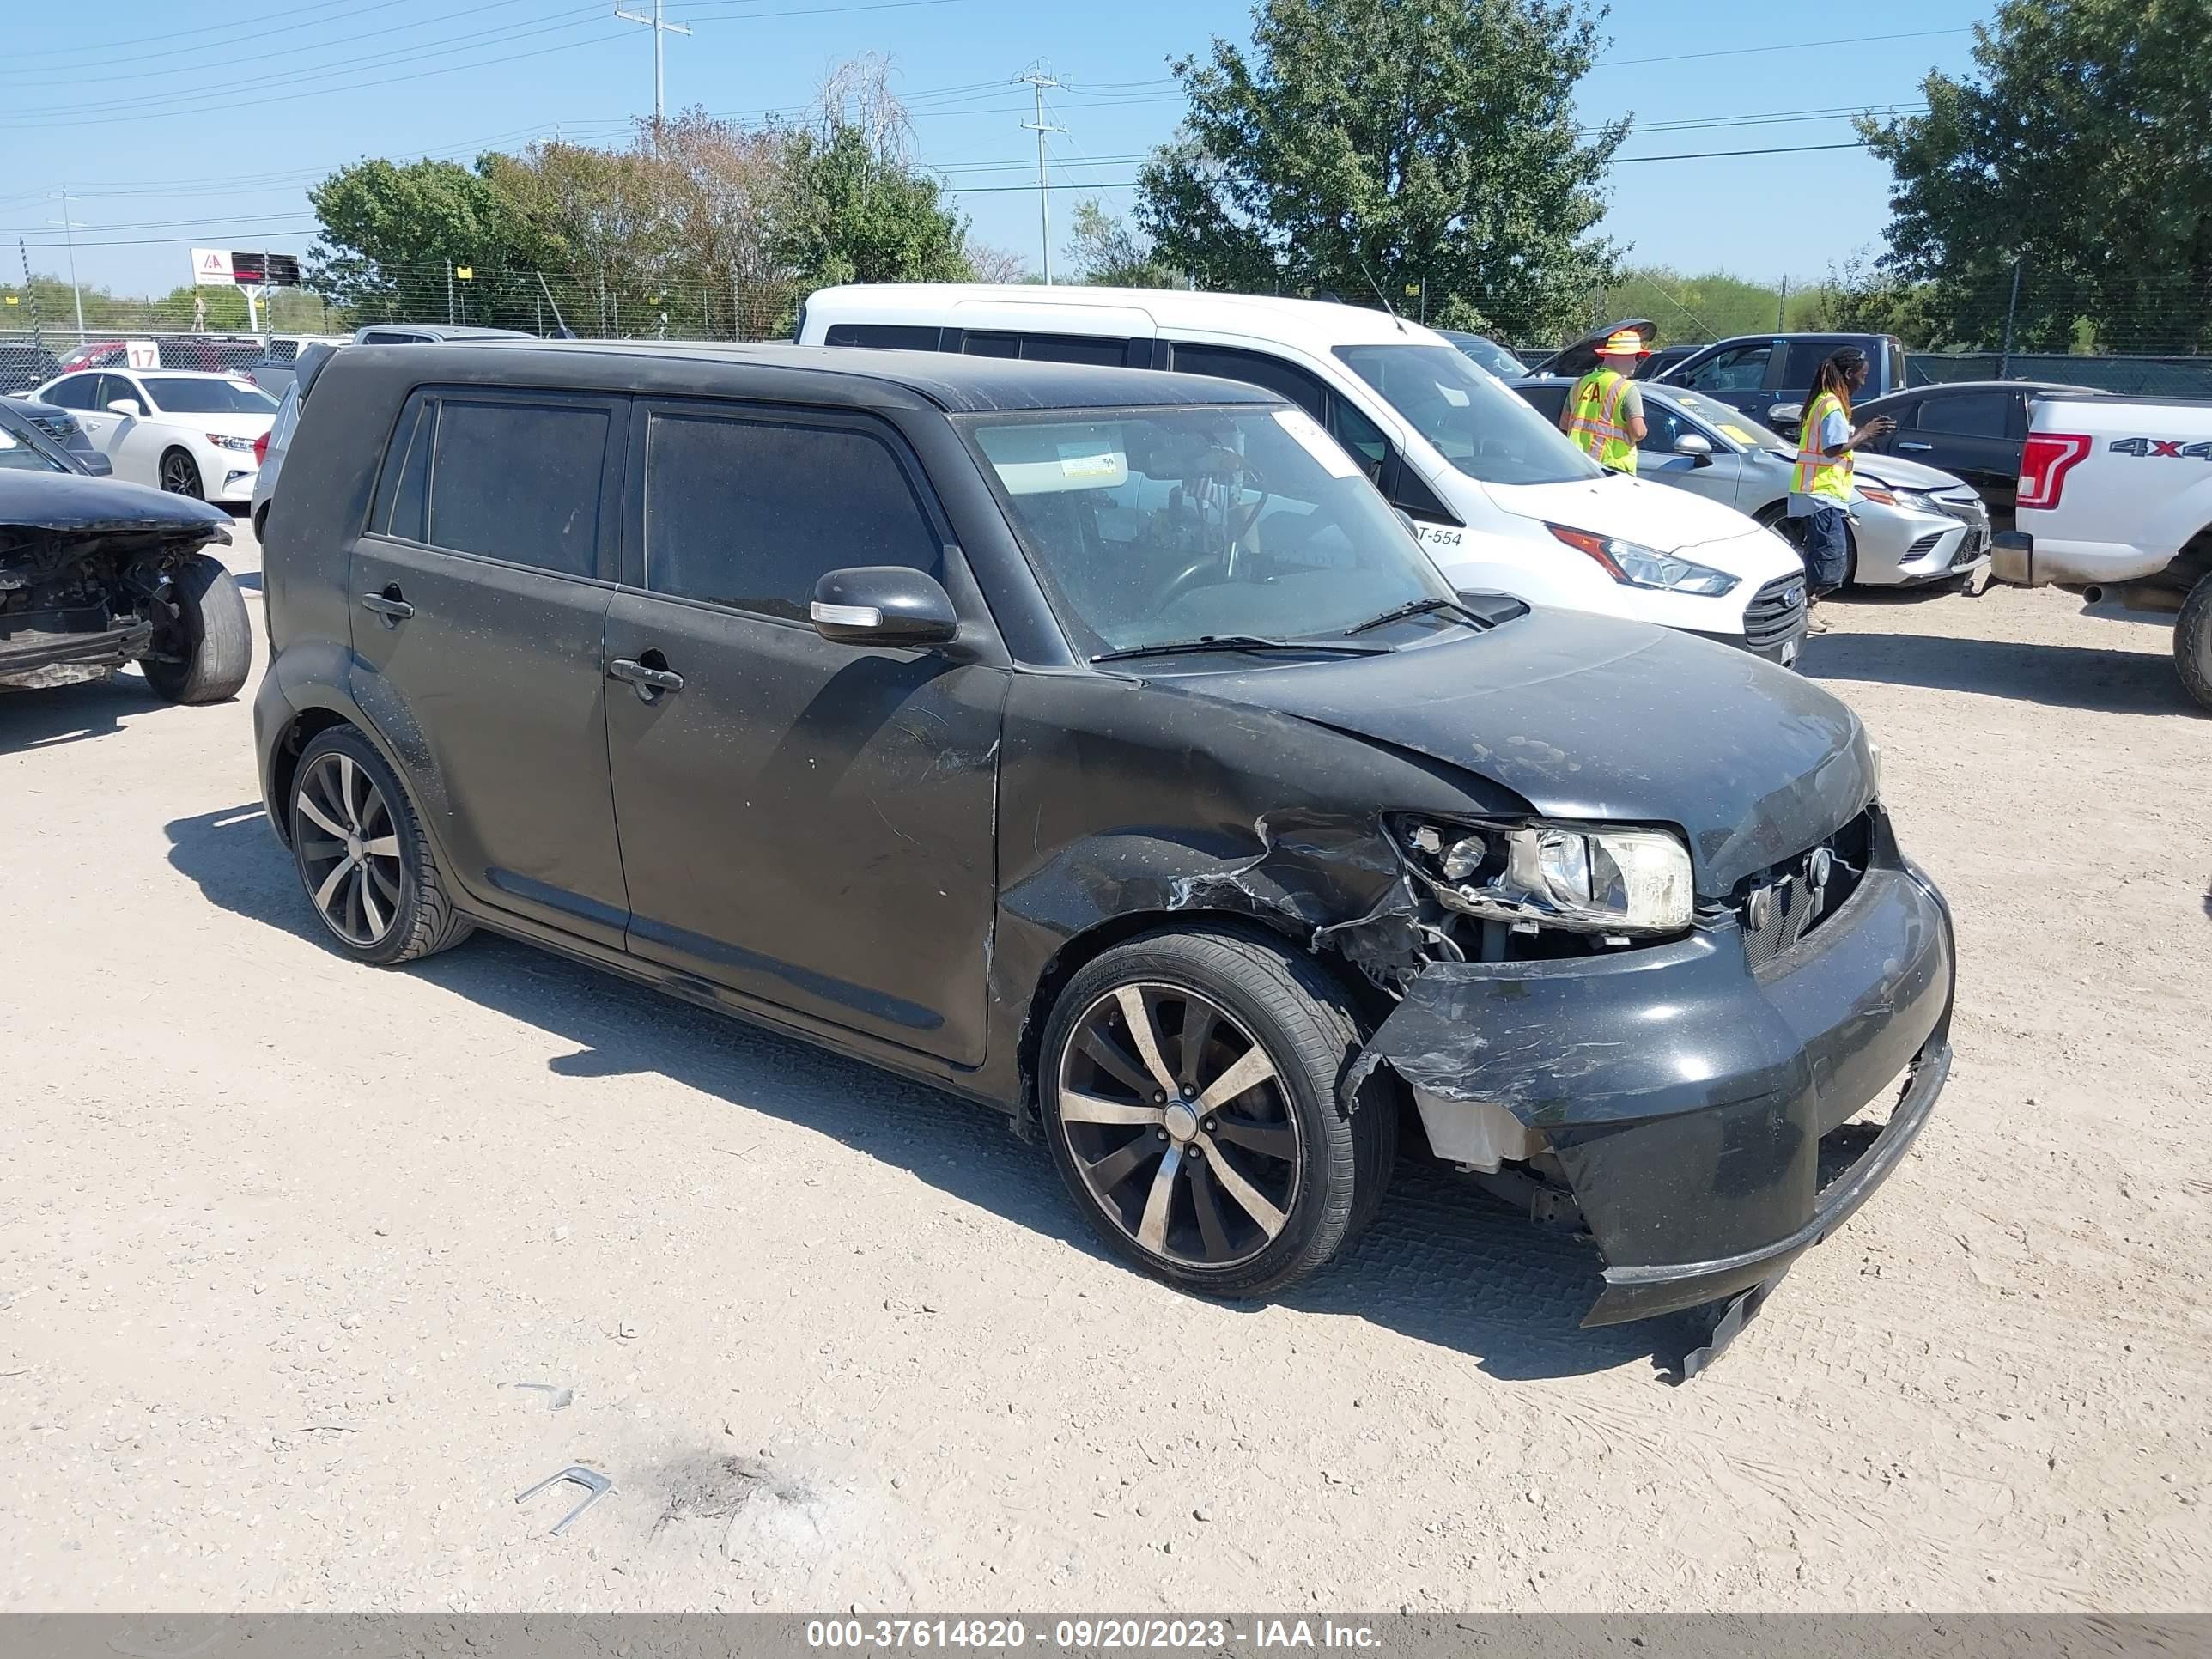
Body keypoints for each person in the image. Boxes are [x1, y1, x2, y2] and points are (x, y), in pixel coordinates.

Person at [1790, 346, 1896, 631]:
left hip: (1819, 493)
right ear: (1849, 374)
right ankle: (1799, 607)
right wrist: (1865, 433)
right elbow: (1832, 448)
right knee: (1830, 561)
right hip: (1819, 494)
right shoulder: (1831, 404)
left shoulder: (1827, 402)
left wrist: (1861, 436)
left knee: (1820, 555)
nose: (1864, 381)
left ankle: (1805, 606)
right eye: (1862, 376)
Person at [1559, 329, 1650, 473]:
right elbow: (1638, 432)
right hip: (1613, 468)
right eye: (1636, 356)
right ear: (1620, 355)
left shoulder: (1580, 383)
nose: (1637, 362)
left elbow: (1564, 423)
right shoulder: (1626, 388)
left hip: (1578, 465)